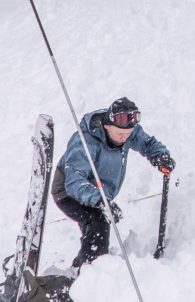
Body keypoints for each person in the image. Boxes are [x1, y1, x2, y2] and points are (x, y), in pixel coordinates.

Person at [51, 97, 175, 269]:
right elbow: (74, 181)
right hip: (68, 191)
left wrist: (159, 156)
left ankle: (80, 271)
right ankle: (91, 273)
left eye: (128, 134)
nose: (124, 138)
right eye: (120, 134)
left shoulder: (126, 130)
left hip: (99, 194)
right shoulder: (86, 141)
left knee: (95, 228)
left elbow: (147, 143)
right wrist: (101, 201)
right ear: (107, 125)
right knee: (98, 222)